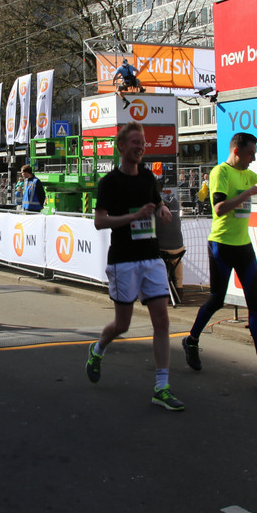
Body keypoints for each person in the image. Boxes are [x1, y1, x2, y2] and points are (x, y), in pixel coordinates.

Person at [85, 121, 184, 411]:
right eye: (135, 142)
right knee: (123, 324)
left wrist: (162, 209)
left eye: (142, 143)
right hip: (124, 259)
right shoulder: (110, 182)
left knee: (162, 321)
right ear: (121, 146)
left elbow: (157, 203)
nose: (140, 147)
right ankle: (98, 349)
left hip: (151, 257)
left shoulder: (148, 177)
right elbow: (100, 221)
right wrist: (134, 216)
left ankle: (162, 387)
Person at [181, 132, 257, 384]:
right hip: (221, 245)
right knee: (216, 300)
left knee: (255, 302)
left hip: (244, 246)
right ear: (236, 151)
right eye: (250, 153)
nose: (253, 158)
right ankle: (191, 340)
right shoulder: (221, 172)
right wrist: (251, 192)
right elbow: (219, 209)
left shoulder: (248, 173)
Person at [155, 177, 185, 303]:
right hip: (179, 247)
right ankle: (179, 289)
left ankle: (159, 292)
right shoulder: (174, 200)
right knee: (176, 261)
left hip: (161, 248)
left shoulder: (152, 203)